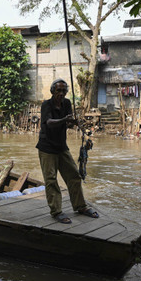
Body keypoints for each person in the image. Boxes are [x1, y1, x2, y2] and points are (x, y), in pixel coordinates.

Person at [36, 79, 99, 224]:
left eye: (64, 91)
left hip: (61, 147)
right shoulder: (47, 104)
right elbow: (49, 123)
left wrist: (74, 122)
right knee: (51, 180)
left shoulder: (67, 103)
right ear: (53, 91)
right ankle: (56, 211)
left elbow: (69, 123)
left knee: (74, 176)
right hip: (47, 148)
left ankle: (80, 206)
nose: (61, 93)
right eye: (58, 90)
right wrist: (65, 119)